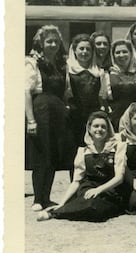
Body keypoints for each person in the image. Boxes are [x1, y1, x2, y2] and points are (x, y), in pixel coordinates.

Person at [37, 111, 127, 222]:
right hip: (88, 188)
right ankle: (56, 211)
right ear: (89, 129)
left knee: (98, 208)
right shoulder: (83, 151)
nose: (99, 129)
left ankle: (57, 213)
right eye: (96, 126)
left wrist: (98, 190)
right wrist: (62, 202)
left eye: (103, 127)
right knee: (88, 202)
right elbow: (76, 181)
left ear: (108, 130)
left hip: (109, 189)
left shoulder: (117, 148)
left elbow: (119, 178)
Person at [25, 25, 76, 211]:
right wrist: (31, 120)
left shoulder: (62, 64)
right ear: (41, 43)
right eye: (49, 41)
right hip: (41, 110)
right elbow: (26, 93)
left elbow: (66, 90)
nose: (53, 44)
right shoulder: (32, 62)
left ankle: (47, 198)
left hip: (58, 112)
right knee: (41, 153)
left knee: (54, 153)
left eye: (56, 41)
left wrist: (66, 106)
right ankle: (38, 198)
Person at [65, 34, 108, 147]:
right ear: (74, 50)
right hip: (73, 116)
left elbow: (101, 96)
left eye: (88, 49)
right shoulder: (68, 70)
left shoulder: (99, 72)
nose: (84, 52)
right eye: (81, 48)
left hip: (92, 116)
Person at [106, 39, 136, 131]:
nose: (121, 55)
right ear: (113, 55)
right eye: (117, 52)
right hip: (116, 117)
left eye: (125, 52)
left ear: (131, 53)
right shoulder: (108, 73)